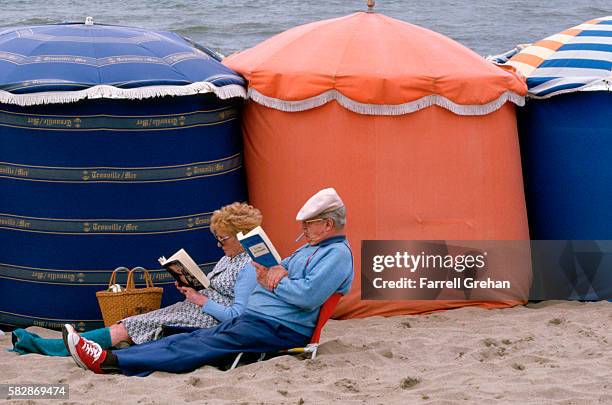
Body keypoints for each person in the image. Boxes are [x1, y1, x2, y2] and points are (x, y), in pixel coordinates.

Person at [64, 187, 354, 376]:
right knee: (190, 338)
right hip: (260, 320)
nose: (302, 228)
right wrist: (274, 274)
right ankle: (108, 357)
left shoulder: (337, 255)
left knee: (200, 345)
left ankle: (112, 363)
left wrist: (273, 280)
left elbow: (305, 296)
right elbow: (279, 268)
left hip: (279, 328)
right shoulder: (310, 249)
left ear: (327, 224)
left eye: (309, 223)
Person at [11, 202, 262, 356]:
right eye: (217, 238)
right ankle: (55, 345)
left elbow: (237, 316)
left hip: (207, 320)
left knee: (131, 326)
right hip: (195, 309)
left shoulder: (250, 265)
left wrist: (199, 299)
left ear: (242, 234)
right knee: (135, 322)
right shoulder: (229, 258)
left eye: (224, 239)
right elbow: (213, 289)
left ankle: (48, 346)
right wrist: (190, 286)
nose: (219, 245)